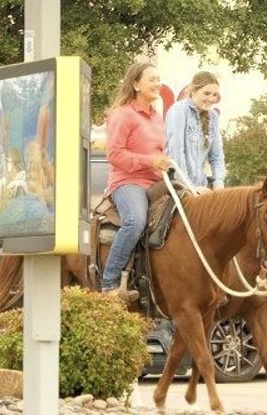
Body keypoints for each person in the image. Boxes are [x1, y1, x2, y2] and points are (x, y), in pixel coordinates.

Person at [102, 61, 172, 300]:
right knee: (135, 221)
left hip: (156, 182)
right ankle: (109, 283)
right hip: (128, 181)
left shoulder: (157, 117)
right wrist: (151, 161)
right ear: (136, 84)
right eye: (152, 79)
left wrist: (164, 163)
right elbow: (115, 155)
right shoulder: (122, 115)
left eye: (159, 79)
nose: (157, 83)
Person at [164, 71, 226, 190]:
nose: (211, 99)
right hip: (178, 185)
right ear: (193, 91)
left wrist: (219, 183)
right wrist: (191, 188)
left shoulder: (213, 117)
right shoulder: (179, 110)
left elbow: (217, 155)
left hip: (201, 185)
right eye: (206, 93)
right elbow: (176, 153)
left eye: (215, 95)